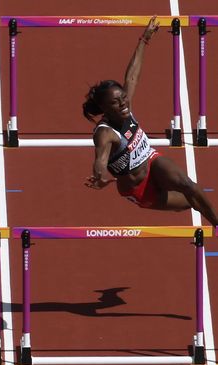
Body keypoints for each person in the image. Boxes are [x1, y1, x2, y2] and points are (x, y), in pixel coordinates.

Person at [83, 16, 218, 227]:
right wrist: (98, 176)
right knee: (186, 203)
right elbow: (100, 160)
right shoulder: (105, 132)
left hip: (152, 161)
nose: (123, 104)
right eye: (115, 103)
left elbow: (133, 76)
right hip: (138, 188)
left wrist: (145, 39)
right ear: (104, 108)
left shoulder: (125, 108)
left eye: (123, 98)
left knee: (189, 186)